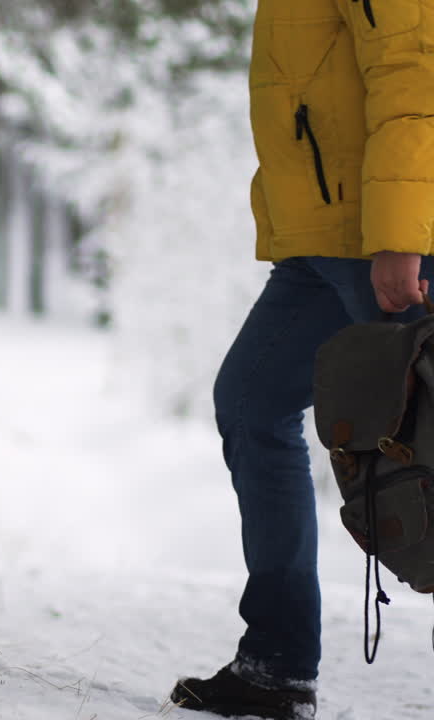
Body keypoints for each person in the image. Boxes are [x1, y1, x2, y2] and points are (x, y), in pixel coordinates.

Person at [168, 1, 434, 718]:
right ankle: (277, 665)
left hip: (387, 243)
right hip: (324, 238)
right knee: (254, 405)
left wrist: (401, 235)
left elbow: (414, 77)